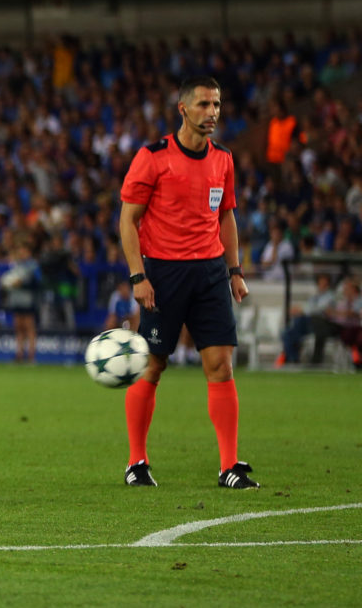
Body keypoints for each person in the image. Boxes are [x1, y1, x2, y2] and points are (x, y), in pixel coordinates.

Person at [118, 76, 257, 489]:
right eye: (203, 104)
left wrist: (234, 271)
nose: (212, 112)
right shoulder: (153, 157)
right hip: (164, 273)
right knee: (153, 364)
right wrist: (138, 276)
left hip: (210, 273)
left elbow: (226, 215)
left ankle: (229, 466)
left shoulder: (223, 159)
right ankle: (136, 462)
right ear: (183, 109)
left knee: (221, 365)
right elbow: (128, 220)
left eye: (217, 104)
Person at [278, 272, 336, 365]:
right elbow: (309, 307)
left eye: (324, 283)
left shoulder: (330, 296)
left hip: (319, 324)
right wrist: (301, 310)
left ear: (328, 284)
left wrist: (302, 310)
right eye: (320, 283)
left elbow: (320, 309)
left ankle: (293, 357)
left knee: (298, 322)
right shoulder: (315, 296)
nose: (322, 285)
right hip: (307, 322)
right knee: (286, 334)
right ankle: (293, 359)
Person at [2, 242, 40, 363]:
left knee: (29, 327)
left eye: (23, 251)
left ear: (29, 252)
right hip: (17, 299)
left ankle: (31, 355)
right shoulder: (16, 265)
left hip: (28, 300)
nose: (21, 253)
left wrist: (22, 284)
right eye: (20, 251)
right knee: (18, 327)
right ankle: (19, 353)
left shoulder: (33, 266)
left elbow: (38, 282)